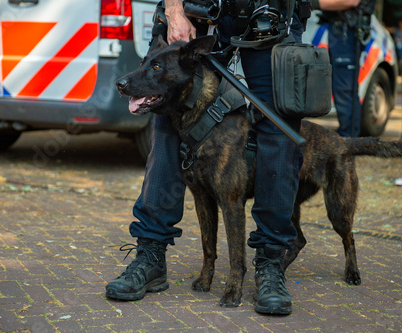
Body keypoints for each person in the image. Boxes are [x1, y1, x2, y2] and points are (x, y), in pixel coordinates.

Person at [106, 0, 307, 315]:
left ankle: (270, 262)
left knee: (277, 138)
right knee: (167, 132)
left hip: (271, 20)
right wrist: (174, 10)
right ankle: (151, 257)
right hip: (195, 15)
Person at [311, 0, 375, 137]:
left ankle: (348, 145)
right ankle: (348, 143)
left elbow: (350, 1)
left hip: (347, 31)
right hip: (343, 30)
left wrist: (311, 3)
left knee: (345, 91)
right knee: (344, 91)